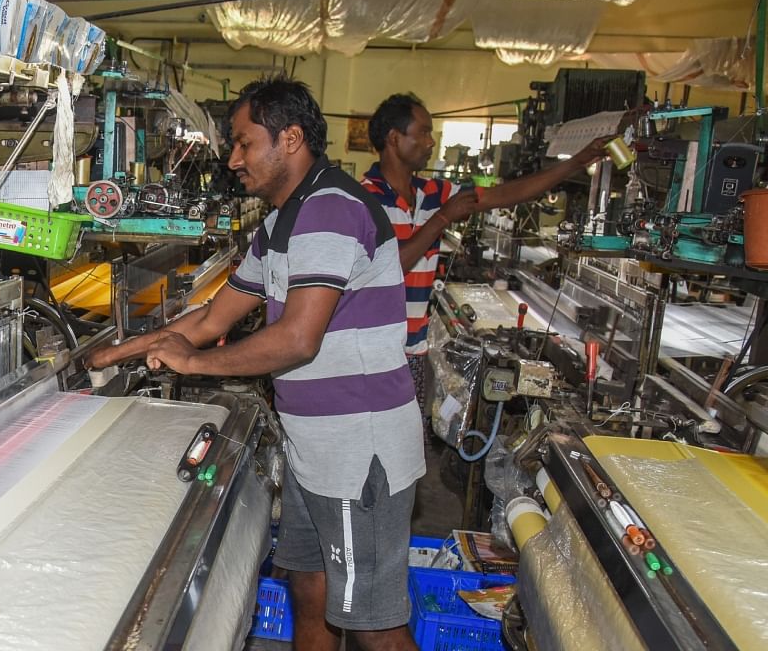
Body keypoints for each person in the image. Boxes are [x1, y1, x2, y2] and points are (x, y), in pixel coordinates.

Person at [89, 77, 423, 651]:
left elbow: (297, 340)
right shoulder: (280, 223)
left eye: (244, 143)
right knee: (310, 592)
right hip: (311, 447)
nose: (233, 159)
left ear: (290, 139)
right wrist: (110, 355)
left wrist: (192, 365)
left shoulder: (329, 210)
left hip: (356, 453)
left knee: (375, 630)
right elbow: (212, 319)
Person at [361, 93, 608, 409]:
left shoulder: (433, 192)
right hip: (374, 354)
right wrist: (442, 219)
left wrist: (576, 161)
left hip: (414, 349)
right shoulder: (362, 199)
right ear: (395, 139)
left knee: (407, 444)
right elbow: (390, 266)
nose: (431, 142)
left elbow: (505, 194)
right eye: (423, 132)